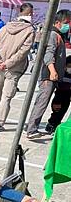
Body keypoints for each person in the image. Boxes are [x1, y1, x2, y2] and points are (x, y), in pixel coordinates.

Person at [26, 10, 71, 139]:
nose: (67, 25)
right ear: (57, 22)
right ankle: (31, 129)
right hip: (48, 75)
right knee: (42, 102)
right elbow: (48, 55)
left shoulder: (58, 35)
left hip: (53, 75)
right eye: (66, 23)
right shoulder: (53, 35)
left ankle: (31, 126)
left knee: (42, 101)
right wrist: (52, 71)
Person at [0, 3, 35, 132]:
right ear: (29, 14)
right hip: (13, 69)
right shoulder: (30, 30)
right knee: (6, 96)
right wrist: (7, 63)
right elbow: (23, 52)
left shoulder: (5, 27)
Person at [44, 54, 71, 134]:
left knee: (63, 110)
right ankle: (51, 124)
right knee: (56, 110)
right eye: (69, 66)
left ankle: (56, 123)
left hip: (67, 95)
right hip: (59, 94)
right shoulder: (61, 73)